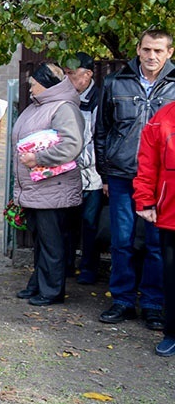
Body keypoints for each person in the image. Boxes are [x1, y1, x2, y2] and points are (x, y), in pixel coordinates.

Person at [94, 28, 175, 329]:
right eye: (147, 49)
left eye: (158, 50)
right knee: (122, 241)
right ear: (138, 50)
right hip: (122, 174)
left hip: (163, 181)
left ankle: (153, 304)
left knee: (156, 244)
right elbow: (102, 131)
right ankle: (123, 300)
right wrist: (104, 173)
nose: (152, 56)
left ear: (169, 53)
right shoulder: (116, 82)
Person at [13, 62, 84, 306]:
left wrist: (38, 158)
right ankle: (38, 285)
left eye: (33, 84)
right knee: (42, 243)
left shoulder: (64, 108)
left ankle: (52, 291)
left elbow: (71, 145)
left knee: (53, 243)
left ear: (46, 84)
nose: (30, 88)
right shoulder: (39, 105)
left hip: (54, 189)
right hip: (37, 189)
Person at [132, 99, 175, 356]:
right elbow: (147, 163)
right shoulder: (163, 118)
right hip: (171, 213)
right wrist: (145, 199)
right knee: (172, 278)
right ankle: (173, 333)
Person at [63, 53, 104, 284]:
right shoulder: (65, 98)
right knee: (67, 223)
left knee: (90, 225)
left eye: (72, 74)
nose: (67, 78)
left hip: (92, 175)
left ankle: (89, 269)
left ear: (87, 74)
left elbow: (99, 138)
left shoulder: (99, 100)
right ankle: (66, 266)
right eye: (66, 73)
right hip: (67, 173)